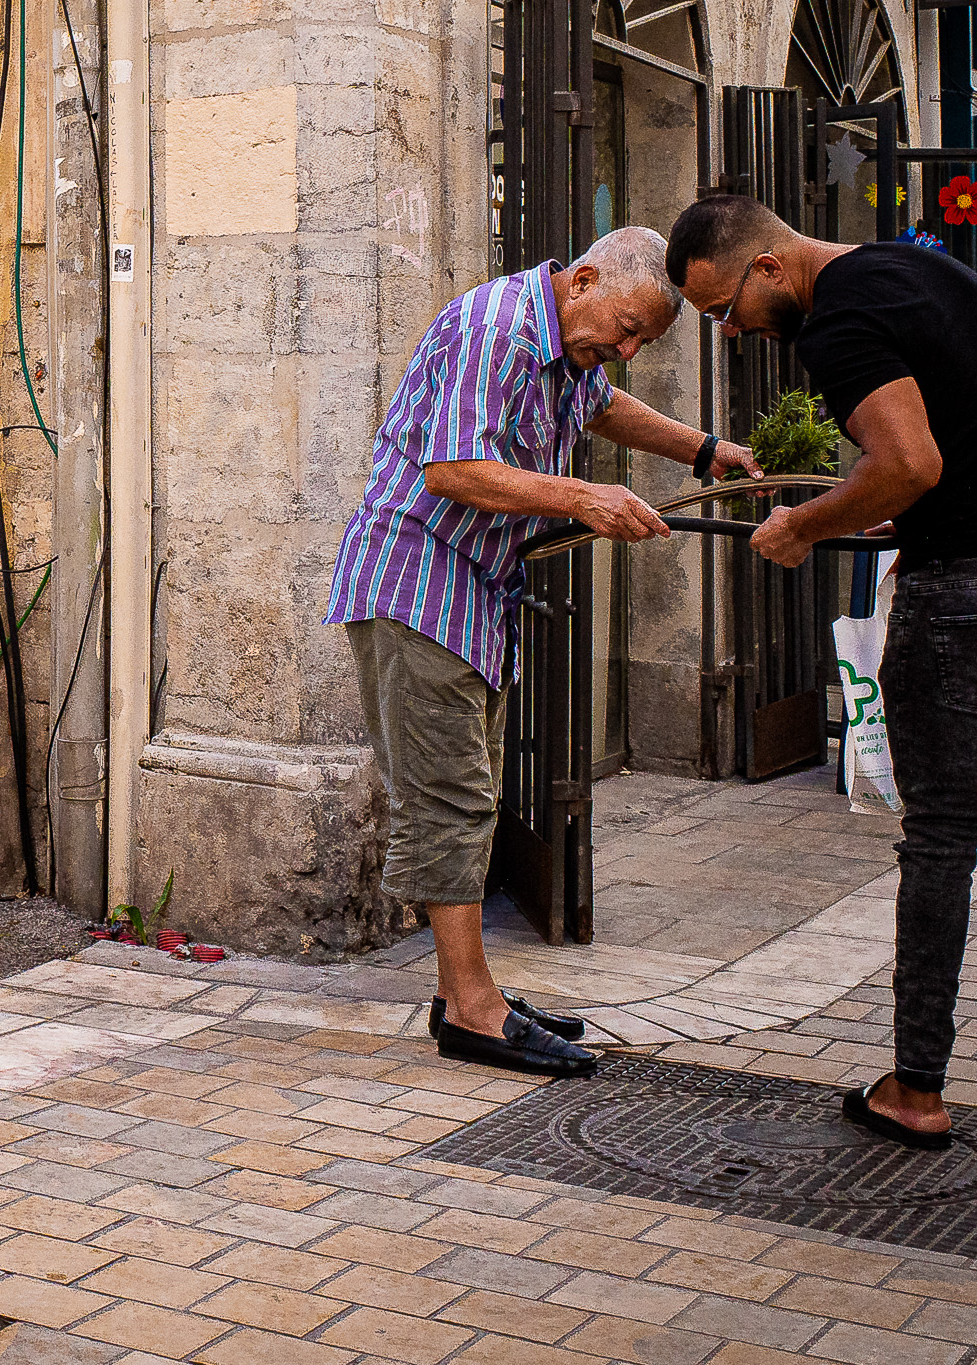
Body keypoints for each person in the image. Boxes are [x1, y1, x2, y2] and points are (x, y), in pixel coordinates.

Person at [665, 196, 977, 1161]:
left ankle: (916, 1088)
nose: (732, 331)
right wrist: (904, 511)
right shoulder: (936, 270)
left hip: (968, 598)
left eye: (724, 310)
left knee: (943, 839)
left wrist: (805, 524)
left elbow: (911, 461)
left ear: (766, 266)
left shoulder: (835, 319)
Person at [326, 227, 762, 1077]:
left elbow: (601, 405)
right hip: (416, 581)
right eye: (627, 330)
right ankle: (473, 1008)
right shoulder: (496, 329)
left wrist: (704, 450)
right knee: (449, 797)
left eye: (642, 343)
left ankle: (462, 993)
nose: (626, 351)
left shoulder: (569, 343)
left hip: (473, 591)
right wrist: (583, 495)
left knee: (471, 792)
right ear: (586, 278)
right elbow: (453, 469)